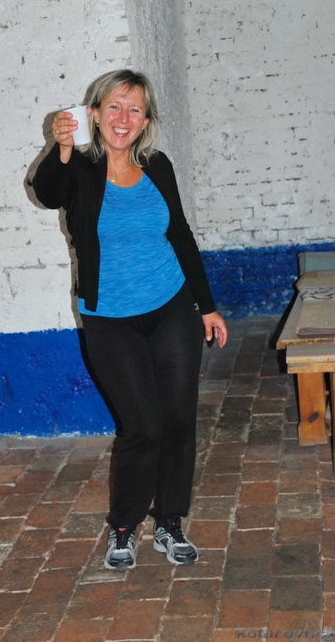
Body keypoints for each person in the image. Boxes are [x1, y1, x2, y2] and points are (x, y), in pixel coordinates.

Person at [32, 70, 227, 570]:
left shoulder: (157, 166)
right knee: (143, 427)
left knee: (179, 421)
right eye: (114, 107)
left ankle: (170, 522)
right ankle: (123, 526)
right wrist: (61, 147)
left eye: (134, 109)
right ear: (95, 114)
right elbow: (48, 193)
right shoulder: (79, 168)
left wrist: (206, 305)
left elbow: (180, 235)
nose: (124, 118)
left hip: (172, 307)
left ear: (146, 120)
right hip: (110, 318)